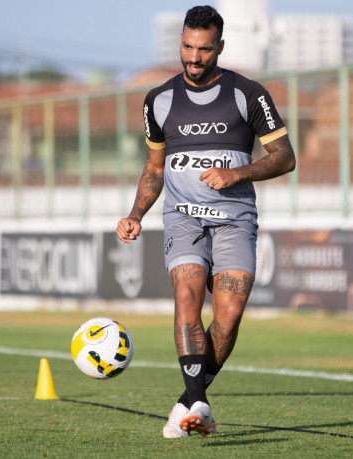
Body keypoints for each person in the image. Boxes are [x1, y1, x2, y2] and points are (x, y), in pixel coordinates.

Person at [116, 5, 296, 438]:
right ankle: (198, 401)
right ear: (180, 42)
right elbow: (155, 168)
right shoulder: (157, 100)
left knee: (229, 315)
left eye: (203, 49)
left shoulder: (247, 94)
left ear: (219, 47)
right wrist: (135, 213)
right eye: (187, 47)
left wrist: (238, 173)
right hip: (184, 220)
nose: (194, 58)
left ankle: (187, 403)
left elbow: (285, 158)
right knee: (187, 296)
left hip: (236, 219)